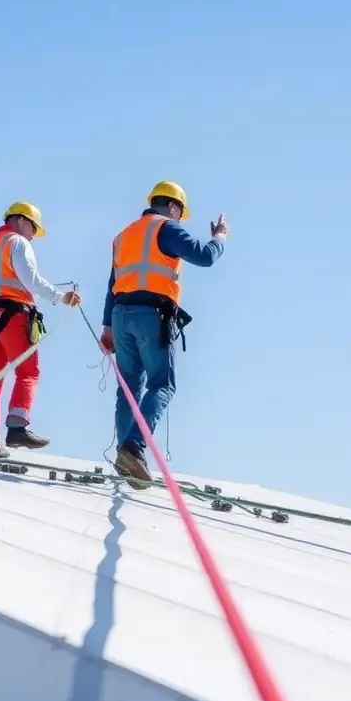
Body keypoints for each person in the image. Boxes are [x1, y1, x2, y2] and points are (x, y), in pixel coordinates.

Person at [100, 180, 228, 487]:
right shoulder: (167, 228)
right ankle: (133, 448)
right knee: (162, 385)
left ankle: (124, 454)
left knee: (129, 387)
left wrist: (107, 326)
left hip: (120, 315)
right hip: (152, 315)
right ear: (172, 206)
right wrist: (219, 239)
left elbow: (111, 283)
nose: (179, 218)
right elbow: (204, 256)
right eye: (180, 212)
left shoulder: (123, 235)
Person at [0, 201, 81, 459]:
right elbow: (30, 280)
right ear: (21, 221)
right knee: (28, 371)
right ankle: (18, 426)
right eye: (33, 228)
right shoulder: (17, 243)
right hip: (12, 315)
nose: (33, 235)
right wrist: (60, 297)